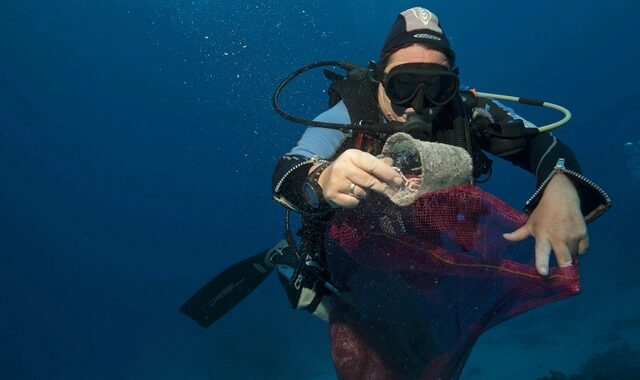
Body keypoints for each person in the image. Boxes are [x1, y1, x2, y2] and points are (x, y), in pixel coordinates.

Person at [271, 6, 610, 314]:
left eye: (437, 87)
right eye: (402, 85)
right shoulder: (349, 112)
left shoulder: (467, 113)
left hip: (420, 244)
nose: (418, 104)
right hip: (352, 244)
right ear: (380, 78)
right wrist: (322, 178)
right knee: (347, 308)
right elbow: (289, 168)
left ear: (453, 84)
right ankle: (293, 269)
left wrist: (560, 187)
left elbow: (542, 143)